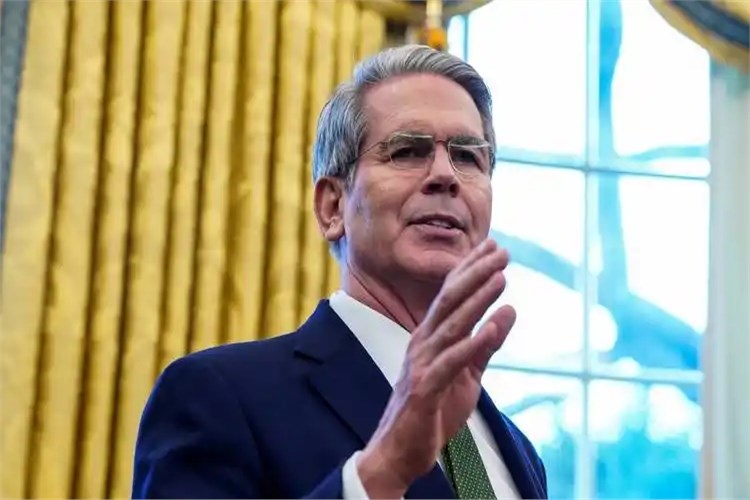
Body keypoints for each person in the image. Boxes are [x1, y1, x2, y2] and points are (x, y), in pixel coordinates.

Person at [132, 44, 547, 499]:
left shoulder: (521, 453)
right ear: (332, 207)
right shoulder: (218, 396)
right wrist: (385, 467)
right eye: (407, 151)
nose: (445, 175)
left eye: (468, 157)